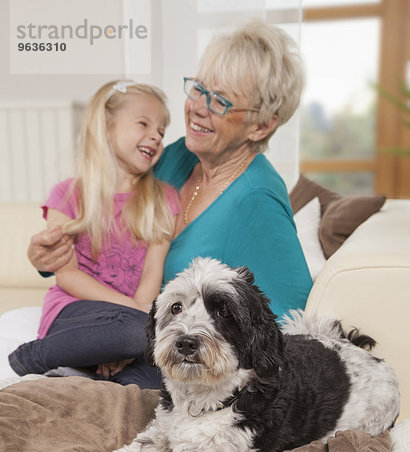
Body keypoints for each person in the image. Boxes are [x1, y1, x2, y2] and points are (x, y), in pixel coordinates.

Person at [27, 20, 313, 369]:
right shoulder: (177, 156)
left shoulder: (258, 200)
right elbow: (101, 237)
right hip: (128, 329)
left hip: (178, 350)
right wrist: (45, 257)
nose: (198, 108)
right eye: (198, 89)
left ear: (262, 124)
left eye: (220, 101)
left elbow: (291, 320)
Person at [9, 81, 179, 388]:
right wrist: (136, 316)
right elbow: (67, 276)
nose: (156, 135)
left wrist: (138, 323)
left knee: (161, 373)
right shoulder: (69, 194)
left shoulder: (164, 200)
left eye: (162, 131)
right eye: (144, 123)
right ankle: (31, 357)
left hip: (132, 317)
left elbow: (153, 273)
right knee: (136, 330)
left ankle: (84, 379)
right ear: (106, 126)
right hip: (74, 311)